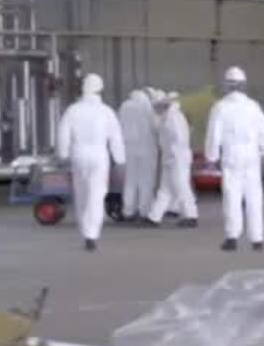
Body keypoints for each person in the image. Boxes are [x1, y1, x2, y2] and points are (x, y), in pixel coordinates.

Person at [205, 65, 264, 252]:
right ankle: (257, 239)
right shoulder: (253, 106)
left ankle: (232, 237)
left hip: (231, 158)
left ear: (226, 85)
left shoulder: (220, 107)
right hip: (251, 158)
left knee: (232, 198)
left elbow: (214, 136)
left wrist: (212, 157)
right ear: (244, 85)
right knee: (254, 198)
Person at [55, 73, 125, 252]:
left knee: (82, 194)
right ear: (100, 89)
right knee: (97, 195)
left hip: (78, 155)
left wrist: (63, 154)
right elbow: (115, 136)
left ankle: (85, 230)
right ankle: (91, 234)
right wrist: (119, 158)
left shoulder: (72, 110)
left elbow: (63, 133)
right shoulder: (106, 111)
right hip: (99, 155)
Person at [147, 89, 200, 227]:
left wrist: (172, 153)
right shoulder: (166, 116)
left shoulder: (174, 117)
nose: (155, 109)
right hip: (170, 158)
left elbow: (179, 138)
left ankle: (191, 215)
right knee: (165, 189)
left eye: (156, 106)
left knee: (181, 186)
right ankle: (154, 217)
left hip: (177, 158)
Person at [118, 87, 158, 223]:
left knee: (130, 181)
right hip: (147, 149)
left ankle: (128, 211)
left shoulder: (124, 106)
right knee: (146, 182)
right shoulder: (148, 107)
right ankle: (144, 211)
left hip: (128, 150)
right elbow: (155, 126)